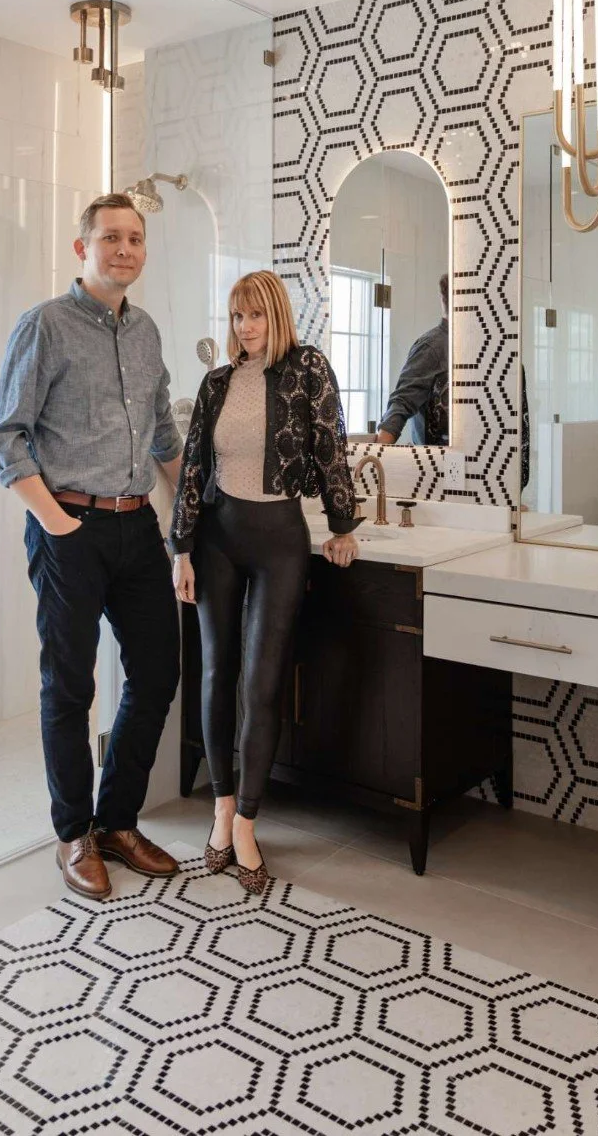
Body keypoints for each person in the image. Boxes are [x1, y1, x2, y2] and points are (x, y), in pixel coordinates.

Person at [0, 194, 183, 901]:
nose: (124, 249)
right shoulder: (45, 326)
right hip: (69, 525)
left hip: (138, 527)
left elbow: (163, 436)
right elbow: (3, 436)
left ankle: (116, 822)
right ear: (82, 249)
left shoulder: (148, 332)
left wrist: (188, 511)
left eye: (135, 238)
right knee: (69, 687)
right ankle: (73, 834)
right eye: (110, 238)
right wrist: (56, 522)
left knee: (158, 671)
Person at [170, 270, 361, 894]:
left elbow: (331, 446)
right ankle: (222, 809)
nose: (244, 328)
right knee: (215, 672)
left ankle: (249, 819)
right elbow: (195, 466)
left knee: (263, 680)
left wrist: (341, 525)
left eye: (253, 316)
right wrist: (181, 548)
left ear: (275, 316)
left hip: (280, 540)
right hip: (218, 539)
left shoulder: (308, 368)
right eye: (235, 317)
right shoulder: (216, 382)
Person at [375, 272, 449, 445]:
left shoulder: (477, 349)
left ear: (441, 298)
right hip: (434, 467)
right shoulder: (431, 348)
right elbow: (401, 403)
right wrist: (376, 459)